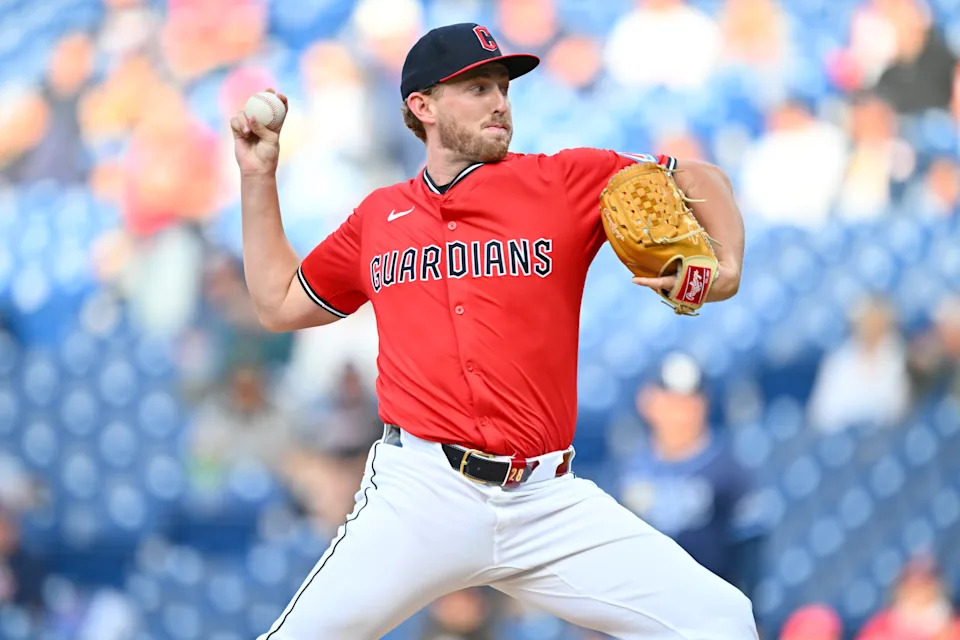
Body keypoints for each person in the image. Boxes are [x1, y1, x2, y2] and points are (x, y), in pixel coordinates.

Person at [231, 23, 750, 640]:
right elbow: (280, 303)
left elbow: (698, 176)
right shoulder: (380, 217)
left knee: (721, 620)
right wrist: (258, 178)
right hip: (421, 493)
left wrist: (726, 269)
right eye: (476, 87)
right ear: (421, 107)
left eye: (503, 86)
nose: (499, 100)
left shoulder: (564, 181)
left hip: (544, 499)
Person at [619, 353, 767, 597]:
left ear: (704, 404)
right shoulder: (631, 471)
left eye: (687, 402)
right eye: (669, 401)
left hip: (710, 604)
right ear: (647, 402)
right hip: (647, 606)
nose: (678, 413)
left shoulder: (729, 469)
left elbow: (748, 551)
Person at [857, 556, 960, 640]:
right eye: (911, 582)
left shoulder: (954, 627)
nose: (917, 589)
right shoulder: (879, 626)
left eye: (925, 582)